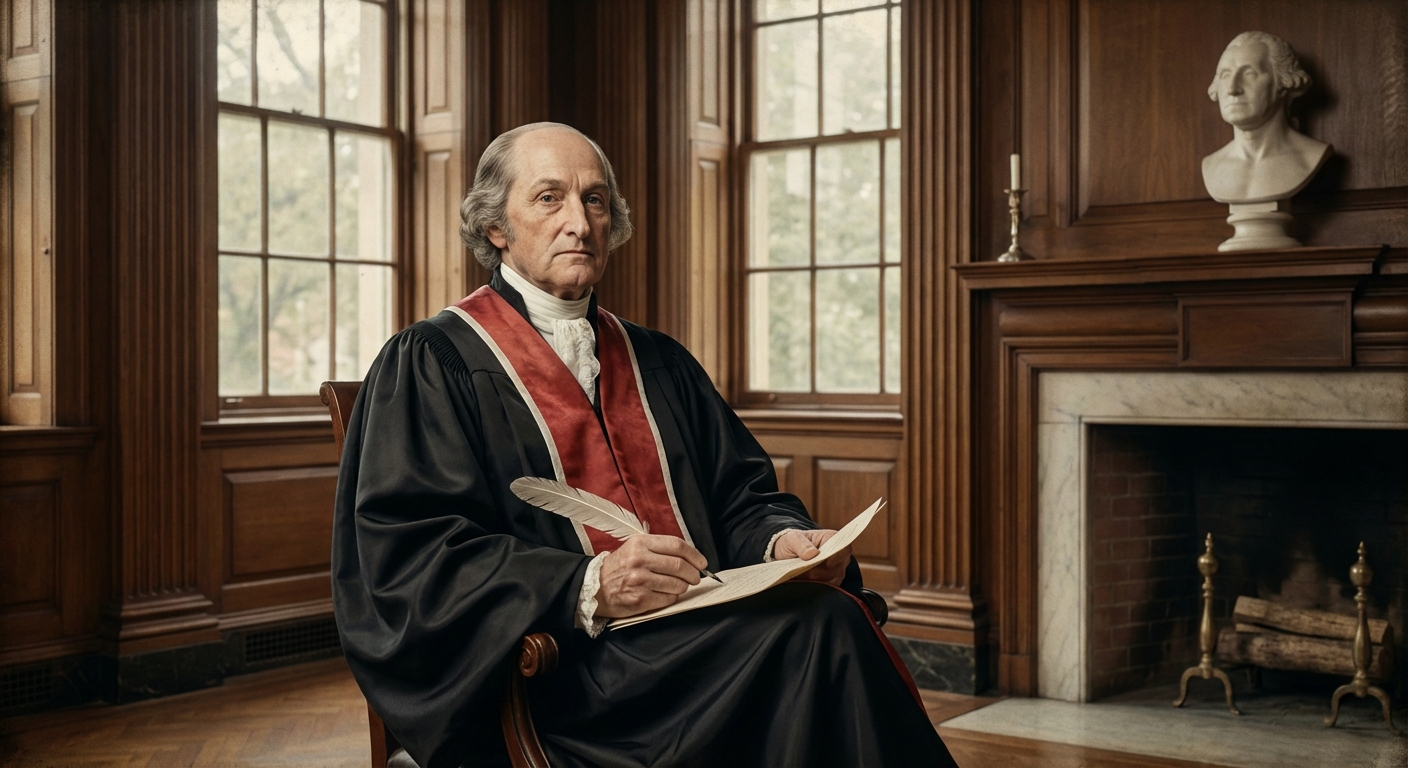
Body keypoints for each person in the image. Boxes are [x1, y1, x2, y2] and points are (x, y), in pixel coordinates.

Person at [332, 122, 954, 768]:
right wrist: (588, 583)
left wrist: (781, 542)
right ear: (496, 227)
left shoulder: (658, 360)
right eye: (549, 198)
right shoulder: (434, 362)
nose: (579, 223)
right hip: (566, 675)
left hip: (691, 641)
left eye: (595, 200)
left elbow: (738, 497)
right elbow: (410, 558)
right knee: (819, 632)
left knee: (822, 617)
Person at [1201, 31, 1332, 203]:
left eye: (1249, 74)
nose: (1232, 89)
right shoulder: (1212, 165)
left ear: (1283, 82)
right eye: (1225, 75)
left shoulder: (1309, 158)